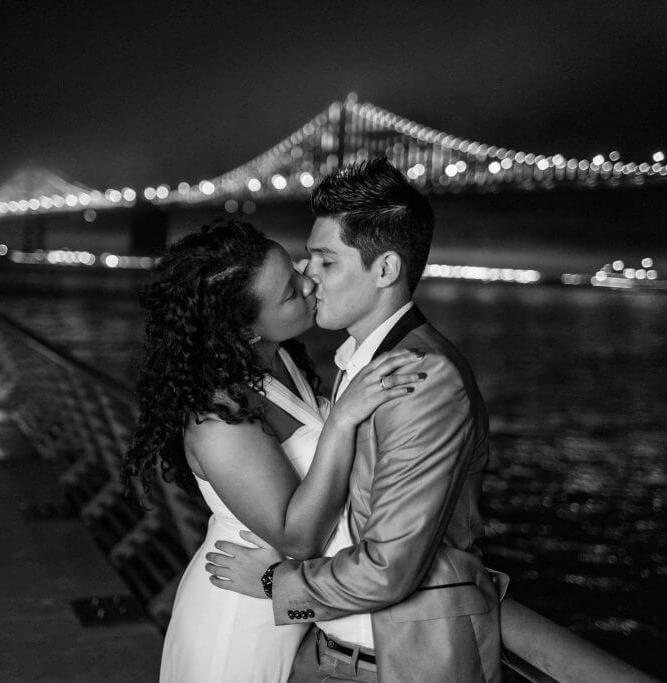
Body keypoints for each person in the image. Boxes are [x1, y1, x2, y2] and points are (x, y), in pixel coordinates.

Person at [205, 158, 508, 682]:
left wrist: (278, 584)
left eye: (326, 262)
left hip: (393, 665)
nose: (308, 276)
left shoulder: (421, 378)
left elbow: (389, 570)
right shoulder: (362, 360)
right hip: (332, 651)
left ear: (385, 270)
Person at [124, 220, 426, 682]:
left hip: (289, 610)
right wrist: (344, 417)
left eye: (297, 268)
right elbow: (299, 538)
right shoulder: (217, 419)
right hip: (239, 626)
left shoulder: (279, 360)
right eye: (289, 292)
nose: (310, 281)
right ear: (244, 329)